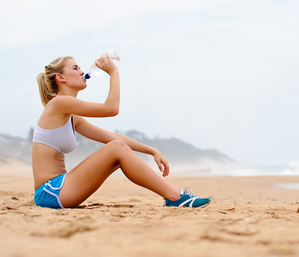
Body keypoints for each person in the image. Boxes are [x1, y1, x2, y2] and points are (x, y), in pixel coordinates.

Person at [32, 53, 210, 209]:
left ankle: (174, 196)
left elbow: (112, 137)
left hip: (60, 189)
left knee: (117, 151)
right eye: (75, 68)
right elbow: (111, 109)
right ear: (60, 78)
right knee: (117, 148)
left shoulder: (70, 115)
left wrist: (151, 150)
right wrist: (114, 72)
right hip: (51, 192)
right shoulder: (59, 103)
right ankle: (176, 197)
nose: (81, 71)